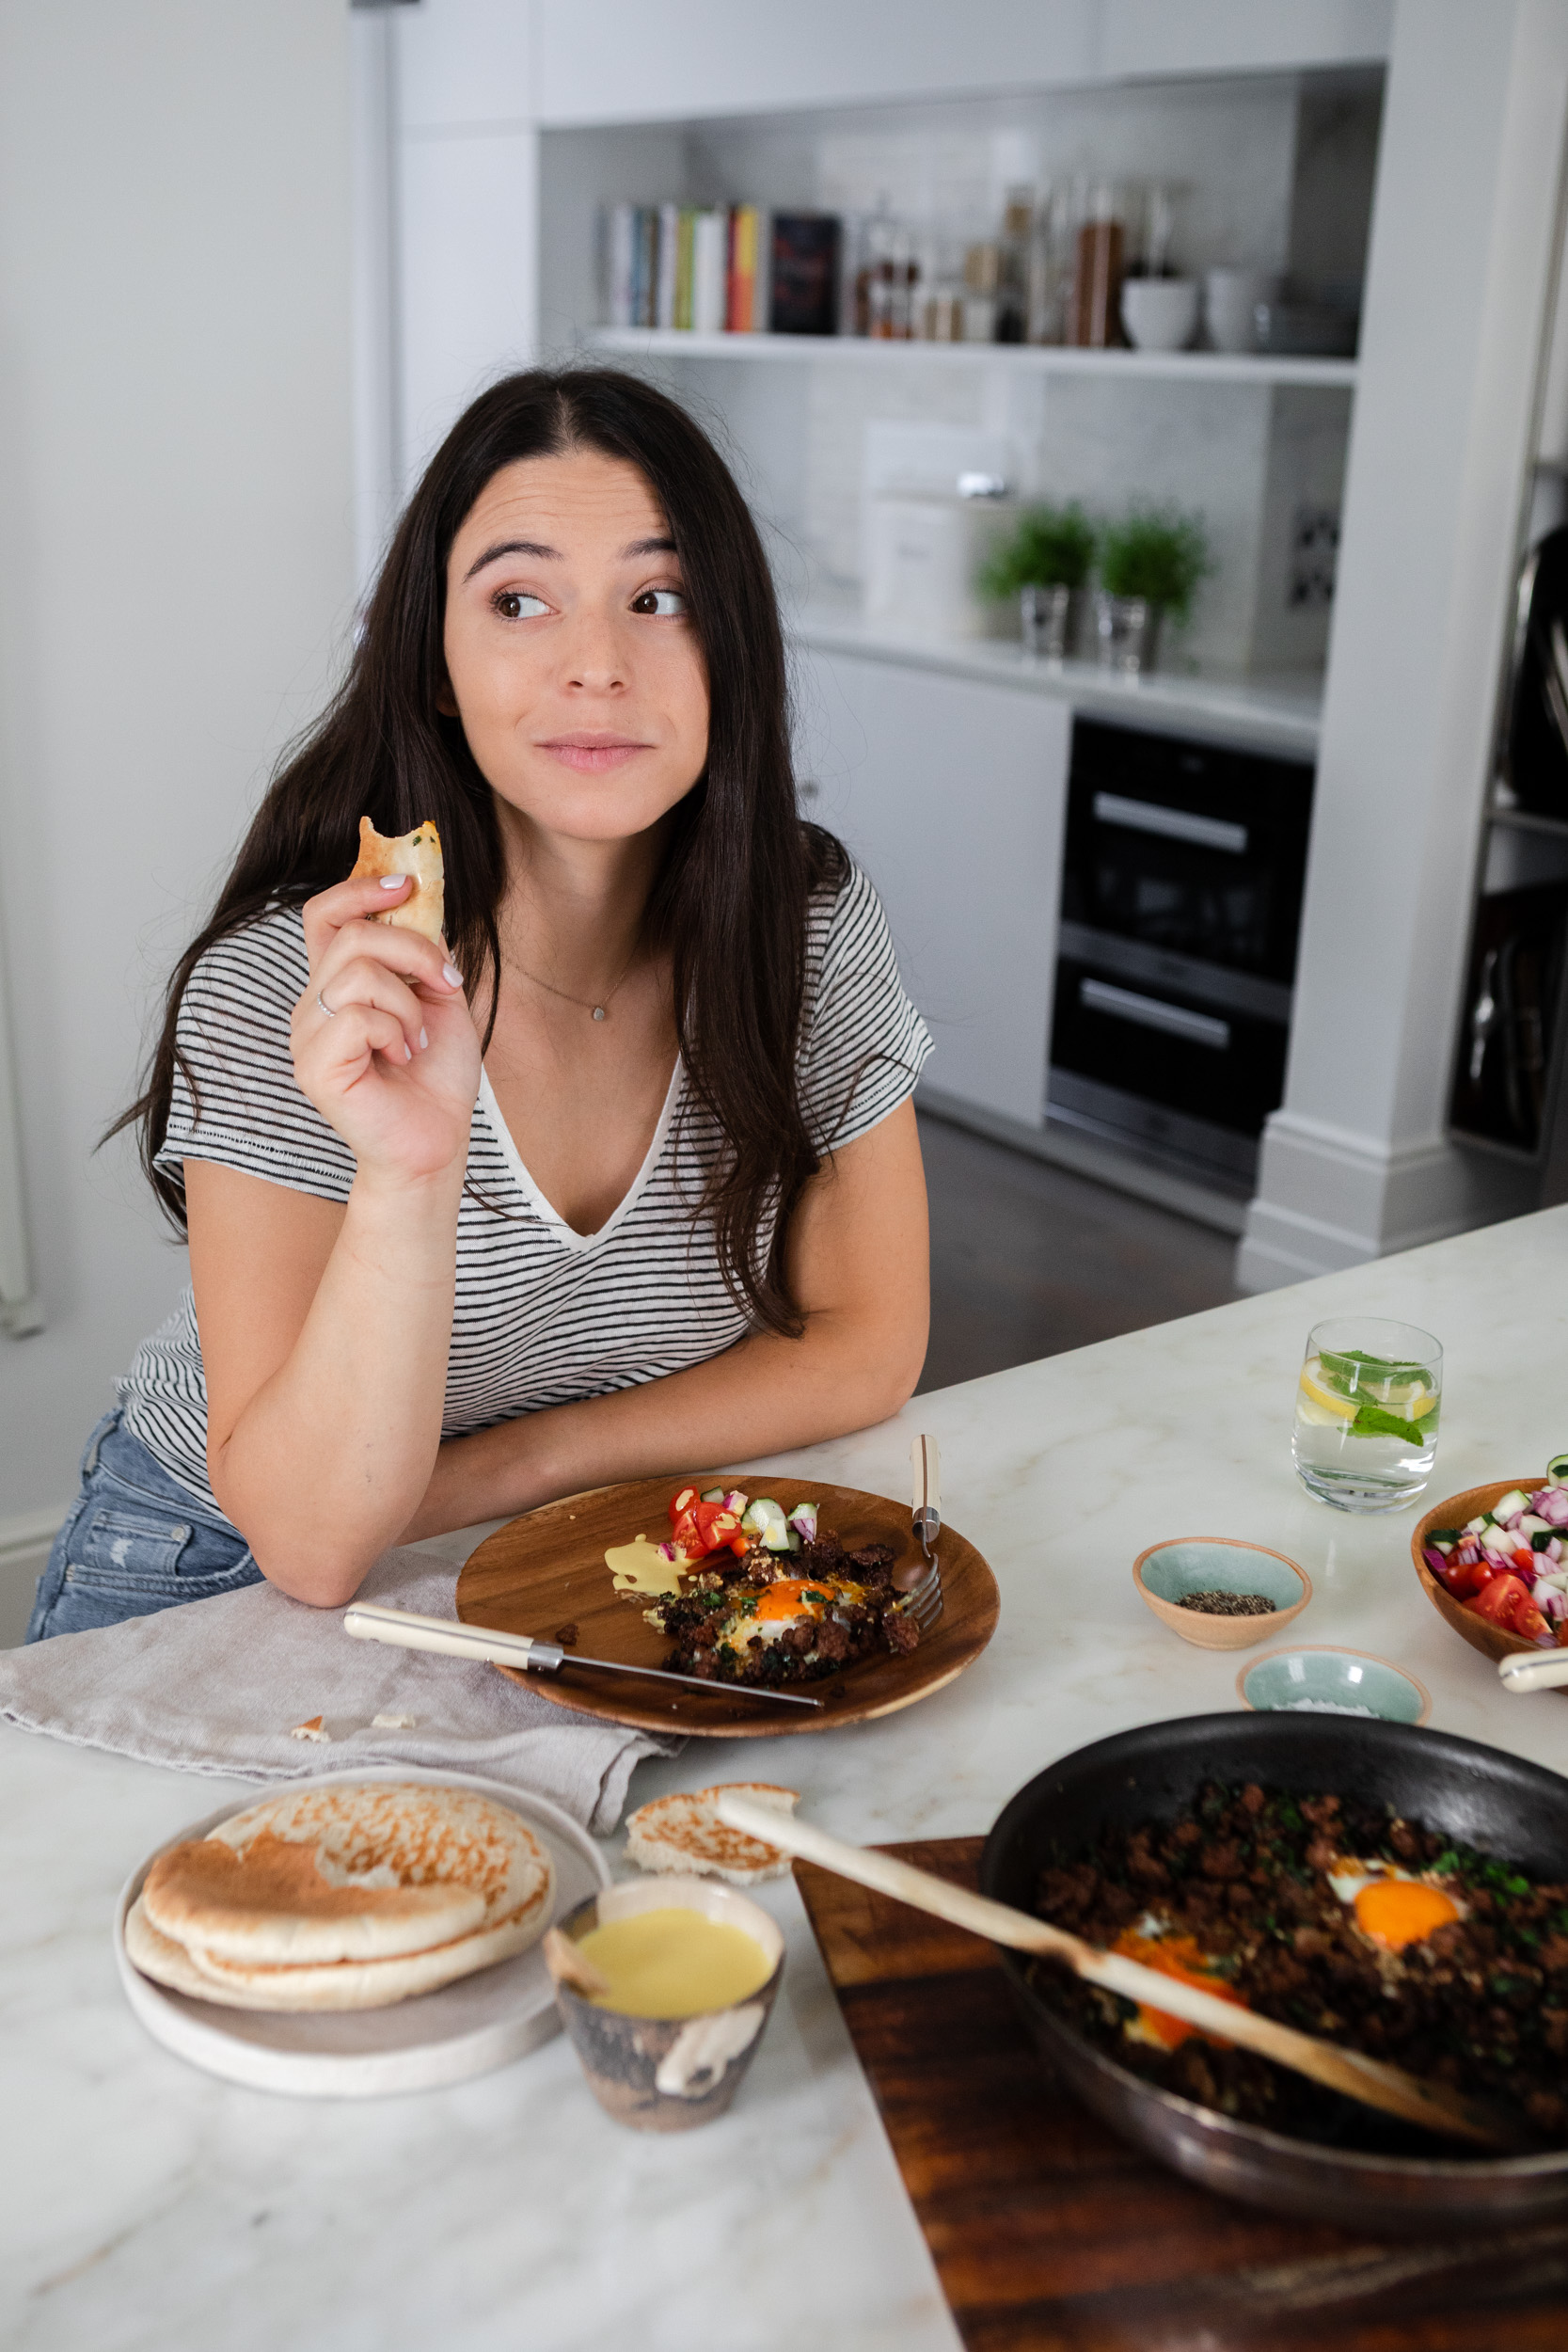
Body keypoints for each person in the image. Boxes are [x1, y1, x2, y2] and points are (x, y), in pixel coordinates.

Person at [27, 369, 931, 1642]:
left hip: (589, 1535)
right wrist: (408, 1168)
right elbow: (316, 1544)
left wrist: (513, 1472)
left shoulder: (806, 922)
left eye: (657, 598)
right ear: (438, 664)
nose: (597, 667)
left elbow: (869, 1345)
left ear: (732, 645)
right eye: (520, 601)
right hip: (217, 1570)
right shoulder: (297, 988)